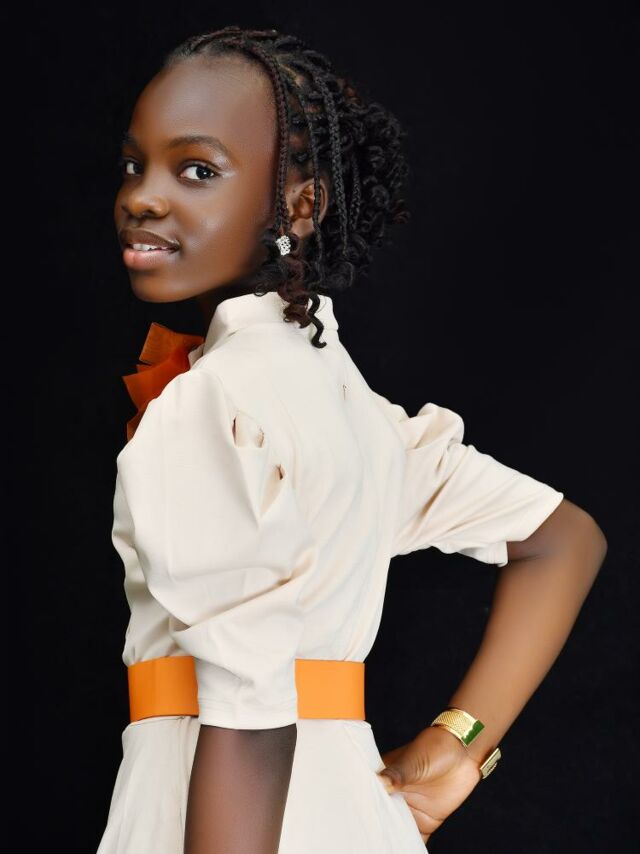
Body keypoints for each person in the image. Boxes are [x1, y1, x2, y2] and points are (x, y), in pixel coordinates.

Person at [96, 25, 607, 854]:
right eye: (133, 165)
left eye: (197, 170)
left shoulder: (212, 402)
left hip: (212, 807)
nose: (143, 198)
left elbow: (249, 718)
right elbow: (564, 540)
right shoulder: (356, 412)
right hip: (353, 813)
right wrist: (457, 745)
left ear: (302, 206)